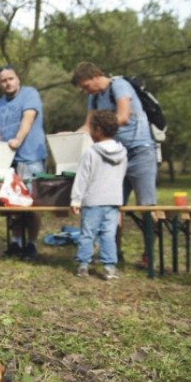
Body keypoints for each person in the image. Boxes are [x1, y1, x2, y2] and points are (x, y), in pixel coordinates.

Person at [71, 61, 157, 267]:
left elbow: (123, 117)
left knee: (147, 205)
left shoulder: (119, 86)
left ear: (95, 76)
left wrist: (100, 130)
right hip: (113, 156)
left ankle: (149, 255)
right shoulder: (93, 97)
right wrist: (70, 136)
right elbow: (88, 125)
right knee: (111, 205)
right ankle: (114, 253)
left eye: (85, 86)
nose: (85, 91)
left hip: (139, 150)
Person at [0, 65, 47, 260]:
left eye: (10, 78)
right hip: (8, 161)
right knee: (10, 202)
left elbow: (28, 119)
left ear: (18, 78)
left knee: (31, 203)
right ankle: (16, 242)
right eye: (3, 80)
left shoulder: (30, 94)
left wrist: (18, 140)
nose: (8, 83)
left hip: (30, 157)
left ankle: (31, 244)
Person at [70, 110, 127, 279]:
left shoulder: (91, 152)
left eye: (92, 129)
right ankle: (109, 268)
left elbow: (82, 178)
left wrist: (76, 199)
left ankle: (83, 266)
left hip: (93, 201)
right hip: (113, 201)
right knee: (108, 235)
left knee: (88, 233)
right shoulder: (123, 153)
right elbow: (121, 177)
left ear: (99, 130)